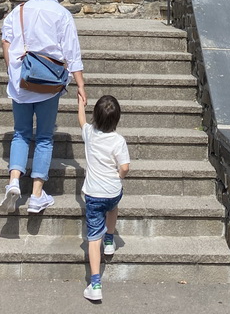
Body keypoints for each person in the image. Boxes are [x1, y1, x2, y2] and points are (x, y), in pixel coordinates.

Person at [0, 0, 86, 214]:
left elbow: (6, 40)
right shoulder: (61, 14)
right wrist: (80, 84)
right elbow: (72, 52)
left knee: (21, 133)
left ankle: (14, 181)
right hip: (49, 84)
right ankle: (37, 195)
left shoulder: (19, 11)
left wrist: (12, 69)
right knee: (45, 137)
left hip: (22, 81)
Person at [78, 93, 130, 303]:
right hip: (112, 191)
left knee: (92, 239)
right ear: (117, 119)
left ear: (95, 117)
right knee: (113, 207)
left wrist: (80, 103)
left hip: (93, 194)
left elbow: (81, 120)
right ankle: (110, 239)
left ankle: (95, 284)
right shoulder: (119, 141)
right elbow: (125, 167)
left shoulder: (89, 133)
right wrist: (119, 175)